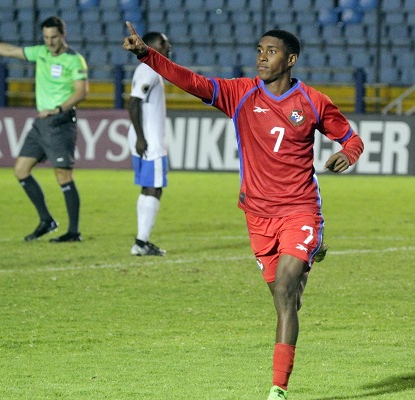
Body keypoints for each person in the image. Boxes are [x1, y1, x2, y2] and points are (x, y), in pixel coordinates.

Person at [123, 22, 364, 400]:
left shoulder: (314, 101)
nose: (262, 56)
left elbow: (351, 137)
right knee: (286, 298)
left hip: (300, 208)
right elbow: (191, 81)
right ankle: (307, 256)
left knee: (285, 290)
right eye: (259, 50)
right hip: (258, 216)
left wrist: (347, 154)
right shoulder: (240, 94)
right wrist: (145, 54)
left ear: (291, 60)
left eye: (271, 51)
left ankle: (278, 389)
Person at [0, 16, 89, 243]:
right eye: (46, 37)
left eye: (54, 37)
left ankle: (73, 231)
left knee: (63, 176)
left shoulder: (74, 60)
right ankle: (47, 220)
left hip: (61, 122)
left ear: (63, 35)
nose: (50, 42)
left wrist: (58, 109)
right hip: (41, 123)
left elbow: (81, 92)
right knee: (21, 170)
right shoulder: (42, 53)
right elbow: (9, 51)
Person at [127, 32, 171, 256]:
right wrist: (142, 137)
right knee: (154, 188)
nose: (168, 46)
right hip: (149, 140)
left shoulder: (148, 68)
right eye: (163, 43)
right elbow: (133, 103)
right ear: (151, 47)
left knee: (148, 188)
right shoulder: (150, 69)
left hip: (145, 137)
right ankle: (141, 242)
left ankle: (141, 242)